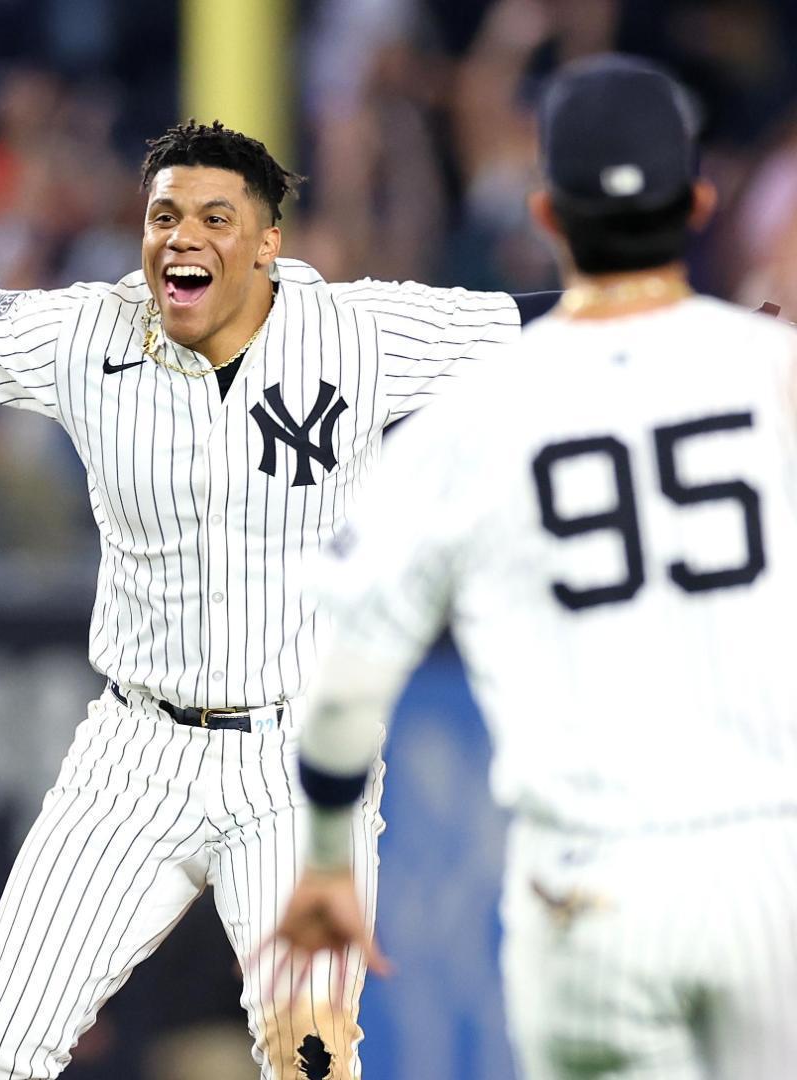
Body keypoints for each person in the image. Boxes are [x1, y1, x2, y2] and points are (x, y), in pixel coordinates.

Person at [0, 120, 559, 1079]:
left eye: (216, 216)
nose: (182, 236)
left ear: (266, 243)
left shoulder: (360, 331)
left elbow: (539, 317)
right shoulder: (89, 330)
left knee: (312, 1062)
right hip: (133, 752)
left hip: (296, 761)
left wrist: (709, 327)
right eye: (164, 215)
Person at [273, 55, 797, 1080]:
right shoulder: (775, 375)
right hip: (769, 871)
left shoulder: (474, 417)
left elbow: (341, 684)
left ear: (546, 214)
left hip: (590, 884)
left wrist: (330, 858)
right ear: (696, 204)